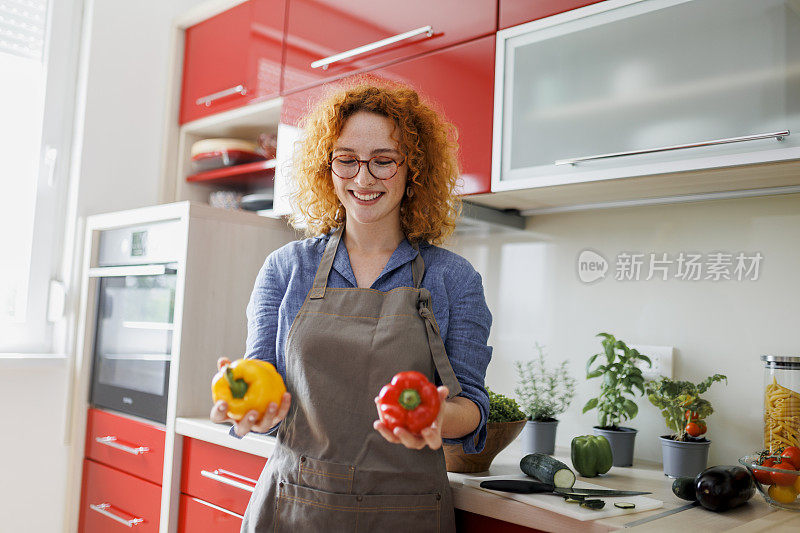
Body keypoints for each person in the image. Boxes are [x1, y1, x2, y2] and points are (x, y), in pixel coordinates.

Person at [210, 80, 492, 532]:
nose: (363, 178)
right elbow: (263, 385)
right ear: (328, 167)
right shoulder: (286, 270)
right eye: (346, 160)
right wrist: (252, 410)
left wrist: (440, 416)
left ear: (413, 169)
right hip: (296, 508)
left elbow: (474, 409)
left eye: (383, 161)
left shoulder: (453, 279)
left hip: (408, 514)